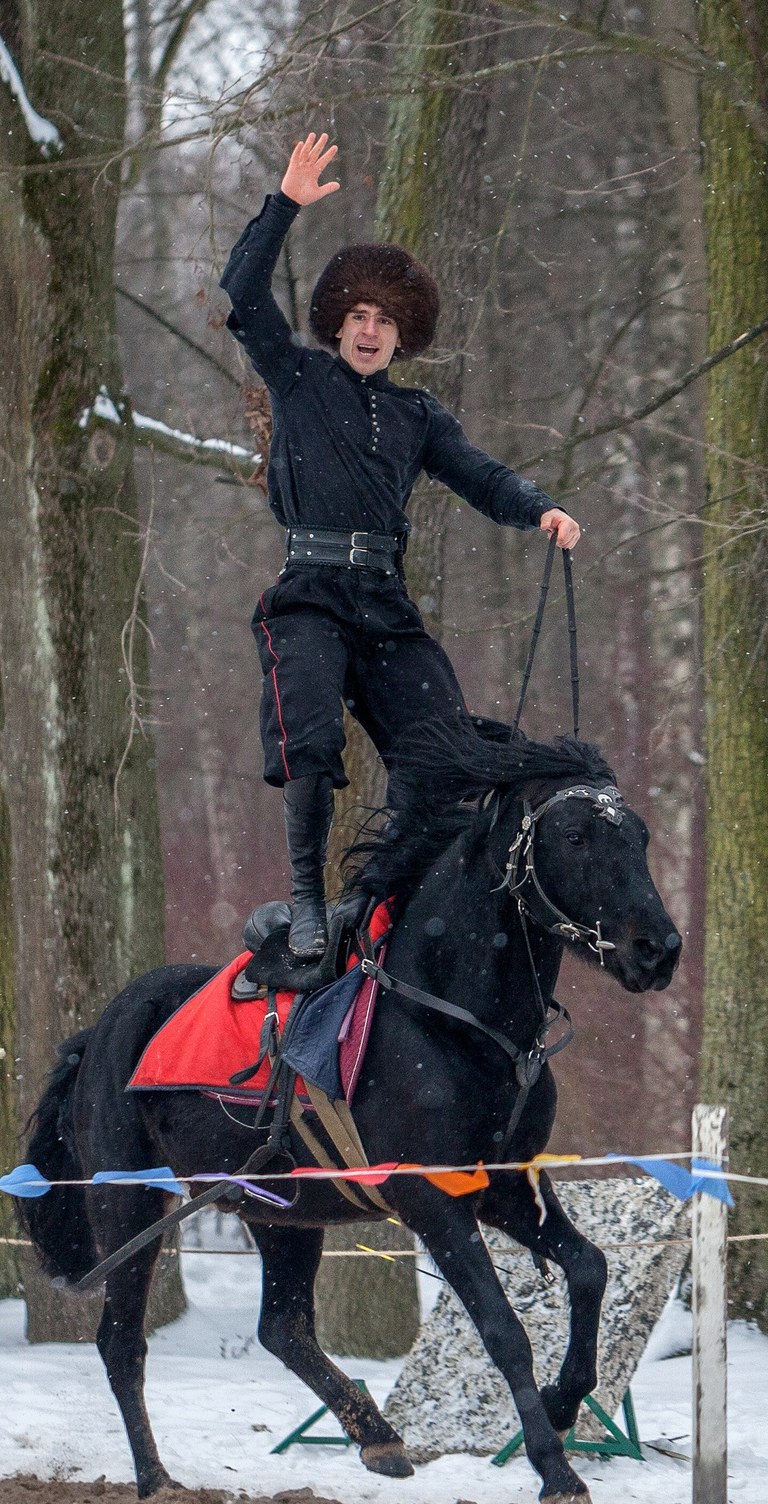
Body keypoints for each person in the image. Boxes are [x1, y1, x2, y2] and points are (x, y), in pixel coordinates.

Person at [223, 132, 583, 962]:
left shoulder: (419, 416)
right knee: (310, 737)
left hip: (384, 606)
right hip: (310, 594)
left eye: (385, 320)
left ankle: (385, 898)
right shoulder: (299, 379)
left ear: (402, 334)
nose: (370, 331)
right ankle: (307, 900)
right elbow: (241, 290)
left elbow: (481, 476)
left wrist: (542, 509)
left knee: (444, 750)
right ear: (337, 324)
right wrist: (284, 205)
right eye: (358, 316)